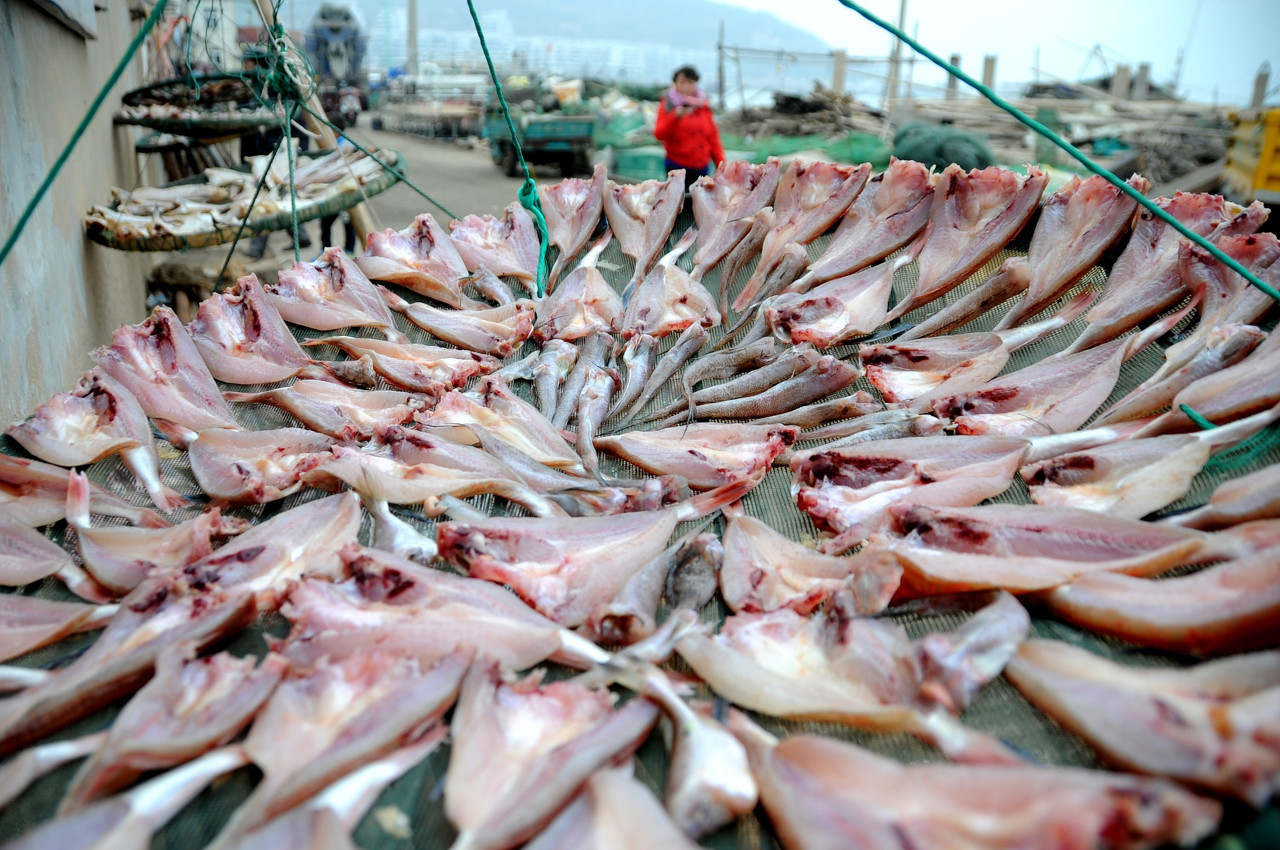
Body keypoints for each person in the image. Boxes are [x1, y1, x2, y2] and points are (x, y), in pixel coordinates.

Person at [238, 50, 311, 260]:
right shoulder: (253, 91)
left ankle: (257, 247)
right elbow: (249, 132)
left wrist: (296, 154)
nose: (246, 68)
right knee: (278, 200)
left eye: (249, 63)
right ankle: (301, 234)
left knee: (265, 202)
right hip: (263, 156)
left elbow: (297, 126)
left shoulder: (276, 89)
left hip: (277, 155)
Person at [653, 65, 725, 192]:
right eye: (682, 82)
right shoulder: (668, 104)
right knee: (679, 204)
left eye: (690, 82)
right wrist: (675, 116)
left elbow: (713, 139)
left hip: (701, 166)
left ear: (696, 83)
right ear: (675, 83)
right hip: (677, 166)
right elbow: (659, 134)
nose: (686, 86)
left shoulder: (703, 106)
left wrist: (722, 165)